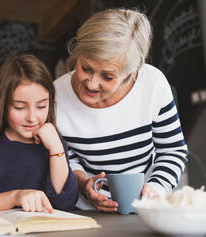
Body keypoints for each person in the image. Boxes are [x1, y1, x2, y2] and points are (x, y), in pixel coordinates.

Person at [54, 8, 188, 212]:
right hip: (87, 212)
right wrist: (84, 184)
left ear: (131, 73)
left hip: (147, 210)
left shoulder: (152, 84)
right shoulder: (55, 95)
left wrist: (155, 188)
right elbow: (66, 157)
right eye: (86, 68)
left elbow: (172, 151)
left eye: (107, 77)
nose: (91, 83)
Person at [0, 54, 78, 213]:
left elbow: (64, 203)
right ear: (3, 105)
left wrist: (56, 149)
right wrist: (15, 197)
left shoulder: (54, 143)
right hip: (0, 234)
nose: (32, 118)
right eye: (19, 107)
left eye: (42, 106)